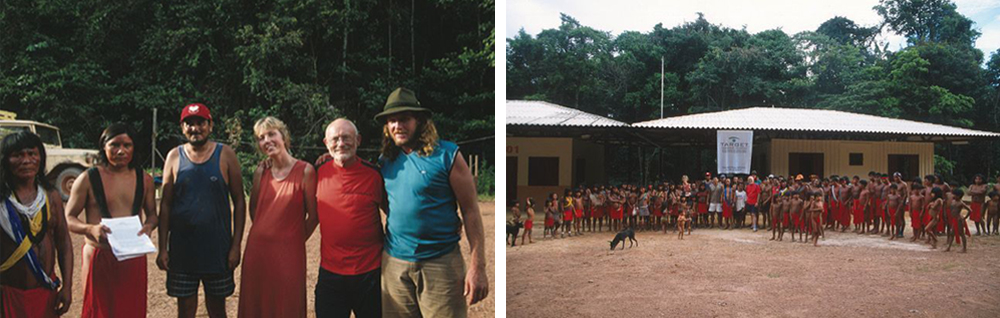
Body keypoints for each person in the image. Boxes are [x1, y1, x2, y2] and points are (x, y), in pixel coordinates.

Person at [375, 88, 489, 317]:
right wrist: (329, 158)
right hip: (394, 264)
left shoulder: (447, 155)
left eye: (404, 119)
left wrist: (478, 267)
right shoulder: (385, 161)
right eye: (392, 120)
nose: (398, 126)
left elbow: (471, 211)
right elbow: (388, 203)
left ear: (419, 120)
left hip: (441, 263)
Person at [157, 103, 246, 318]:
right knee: (185, 310)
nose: (195, 128)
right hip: (182, 250)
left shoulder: (225, 155)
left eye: (200, 123)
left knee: (217, 309)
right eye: (189, 124)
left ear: (210, 125)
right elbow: (166, 204)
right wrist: (162, 248)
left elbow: (240, 202)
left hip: (217, 250)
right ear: (182, 127)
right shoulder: (174, 157)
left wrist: (235, 246)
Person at [64, 123, 157, 318]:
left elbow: (152, 214)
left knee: (131, 311)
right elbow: (69, 218)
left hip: (133, 257)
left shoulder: (144, 179)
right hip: (100, 255)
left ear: (134, 148)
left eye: (127, 145)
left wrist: (149, 226)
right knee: (98, 311)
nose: (121, 151)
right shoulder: (88, 179)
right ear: (104, 147)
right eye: (114, 145)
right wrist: (90, 228)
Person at [237, 117, 318, 318]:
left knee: (287, 304)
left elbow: (314, 216)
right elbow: (255, 210)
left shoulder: (306, 171)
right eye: (261, 138)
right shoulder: (260, 172)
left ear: (284, 137)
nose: (267, 140)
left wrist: (293, 239)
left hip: (289, 253)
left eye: (271, 134)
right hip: (257, 252)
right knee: (256, 305)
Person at [0, 131, 73, 318]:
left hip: (46, 294)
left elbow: (64, 244)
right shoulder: (2, 201)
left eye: (32, 154)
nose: (26, 160)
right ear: (5, 160)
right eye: (17, 155)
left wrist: (67, 287)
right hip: (8, 295)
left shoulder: (52, 197)